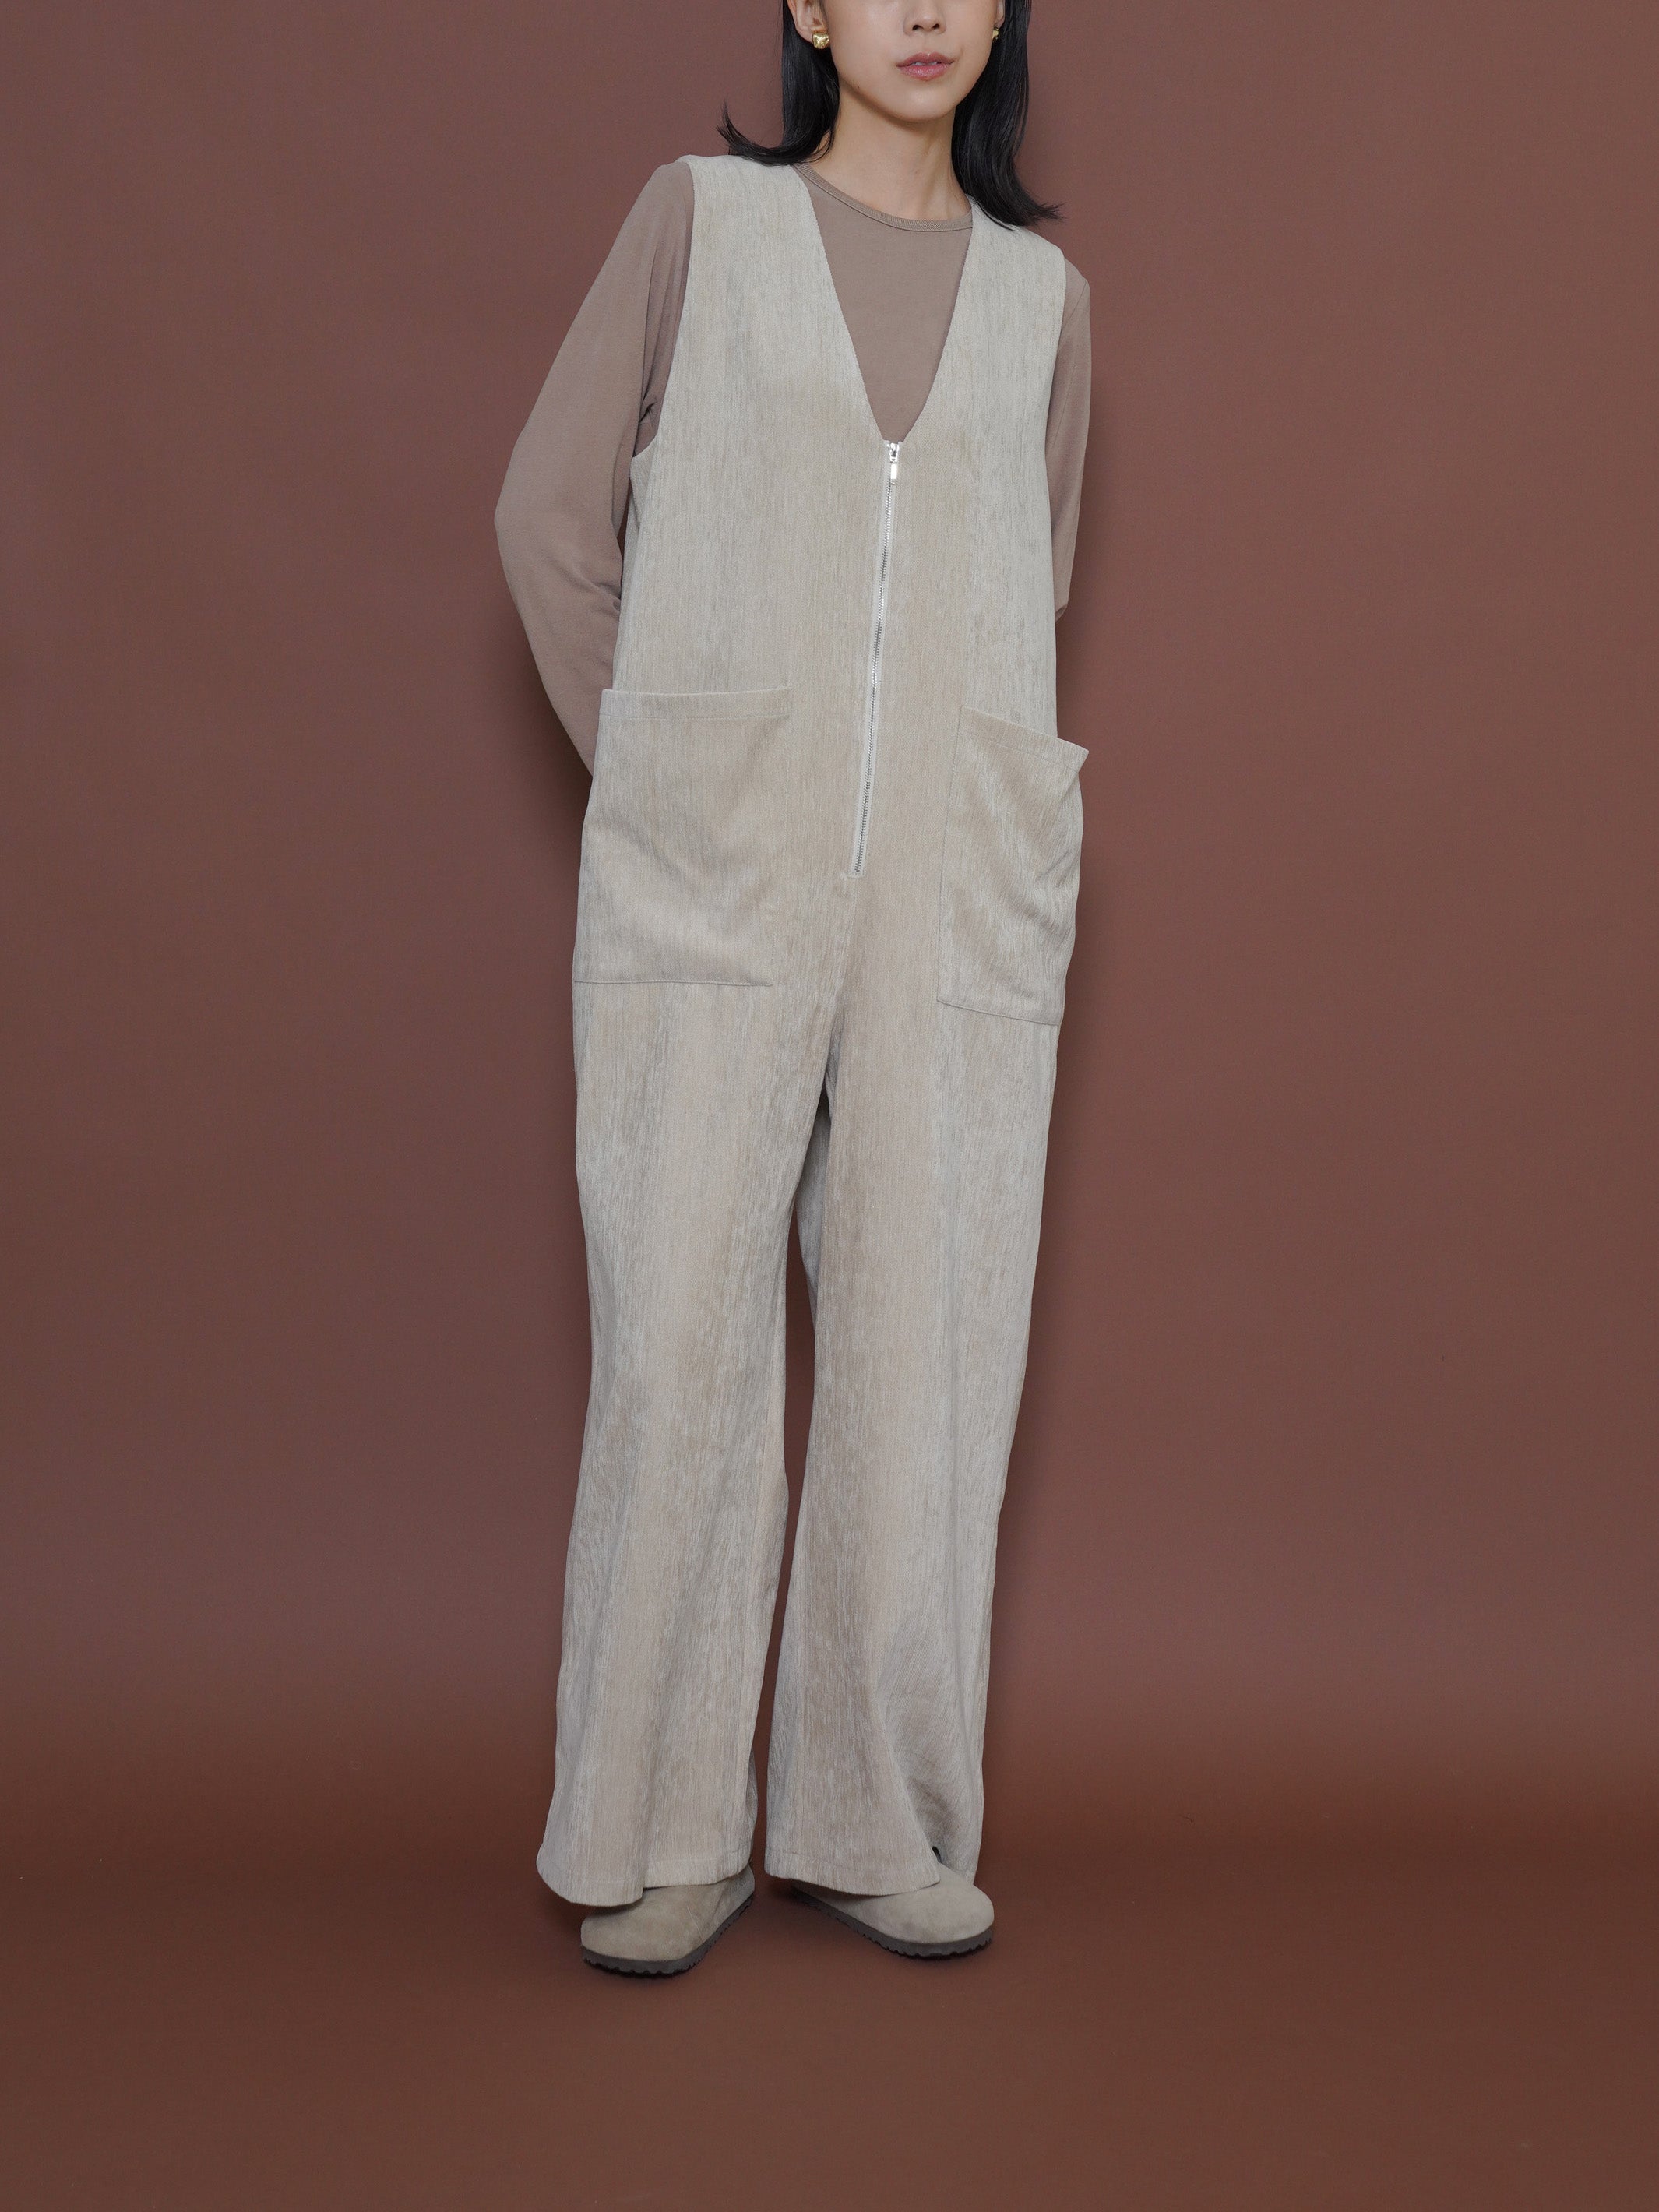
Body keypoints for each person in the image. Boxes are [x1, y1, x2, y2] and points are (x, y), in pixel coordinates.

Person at [495, 0, 1091, 1975]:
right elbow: (548, 523)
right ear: (810, 10)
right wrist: (666, 778)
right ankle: (664, 1828)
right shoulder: (702, 226)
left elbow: (1023, 584)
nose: (923, 7)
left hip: (953, 882)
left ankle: (872, 1815)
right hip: (717, 871)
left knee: (931, 1346)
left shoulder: (1047, 306)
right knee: (680, 1337)